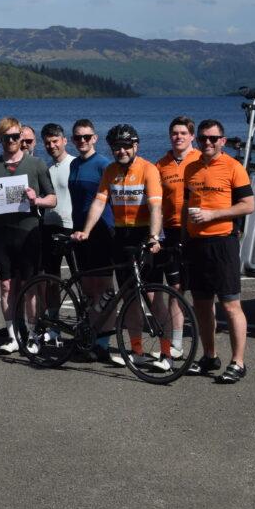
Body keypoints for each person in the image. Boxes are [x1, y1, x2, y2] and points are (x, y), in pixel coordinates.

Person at [73, 124, 164, 366]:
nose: (121, 151)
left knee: (153, 295)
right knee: (130, 297)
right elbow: (99, 203)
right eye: (116, 147)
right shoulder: (110, 170)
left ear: (136, 146)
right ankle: (137, 351)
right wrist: (86, 231)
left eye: (126, 146)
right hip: (122, 236)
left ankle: (167, 352)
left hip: (145, 234)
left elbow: (156, 206)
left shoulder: (148, 169)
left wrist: (154, 236)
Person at [0, 117, 56, 354]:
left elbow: (52, 199)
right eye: (6, 137)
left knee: (30, 287)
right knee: (6, 286)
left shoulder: (36, 164)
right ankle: (13, 336)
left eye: (15, 136)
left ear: (21, 137)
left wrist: (36, 200)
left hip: (28, 232)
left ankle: (33, 335)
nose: (11, 141)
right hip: (1, 234)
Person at [184, 119, 255, 383]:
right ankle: (209, 356)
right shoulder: (191, 168)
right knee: (202, 304)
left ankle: (238, 362)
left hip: (223, 242)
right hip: (196, 244)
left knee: (230, 304)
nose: (208, 143)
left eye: (213, 138)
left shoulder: (234, 167)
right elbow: (187, 205)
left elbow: (248, 205)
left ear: (222, 141)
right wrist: (183, 237)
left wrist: (213, 214)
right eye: (203, 138)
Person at [68, 119, 115, 314]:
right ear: (73, 140)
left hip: (101, 230)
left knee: (104, 286)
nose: (82, 141)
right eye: (78, 137)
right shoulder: (74, 164)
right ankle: (90, 326)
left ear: (94, 138)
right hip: (79, 230)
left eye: (86, 137)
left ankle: (105, 330)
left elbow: (112, 199)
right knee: (86, 285)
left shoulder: (104, 165)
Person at [156, 116, 199, 292]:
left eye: (183, 133)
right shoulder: (161, 165)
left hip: (197, 229)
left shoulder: (201, 159)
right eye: (174, 133)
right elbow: (156, 201)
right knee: (176, 287)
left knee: (202, 287)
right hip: (171, 231)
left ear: (192, 136)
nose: (178, 137)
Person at [40, 123, 74, 278]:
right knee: (51, 277)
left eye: (55, 141)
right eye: (47, 143)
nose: (51, 146)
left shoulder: (75, 164)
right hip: (49, 227)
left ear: (64, 141)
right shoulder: (46, 168)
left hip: (71, 227)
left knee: (78, 274)